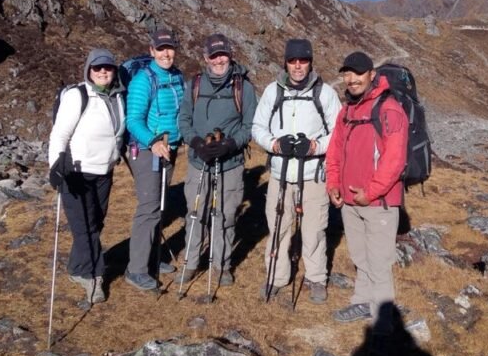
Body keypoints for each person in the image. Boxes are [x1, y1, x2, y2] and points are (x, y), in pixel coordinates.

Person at [252, 39, 341, 302]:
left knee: (314, 229)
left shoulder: (324, 93)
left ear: (310, 62)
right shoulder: (273, 91)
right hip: (280, 174)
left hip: (313, 175)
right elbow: (258, 127)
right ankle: (277, 278)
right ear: (286, 63)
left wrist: (314, 147)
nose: (298, 66)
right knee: (278, 227)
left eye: (303, 60)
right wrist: (275, 144)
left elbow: (338, 133)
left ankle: (316, 279)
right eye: (293, 61)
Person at [325, 51, 407, 328]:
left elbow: (394, 161)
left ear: (372, 75)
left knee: (380, 263)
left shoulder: (389, 109)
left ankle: (384, 323)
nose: (351, 79)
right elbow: (335, 151)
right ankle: (361, 302)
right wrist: (333, 184)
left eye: (357, 73)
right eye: (347, 73)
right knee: (360, 257)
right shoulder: (347, 110)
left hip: (378, 202)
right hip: (350, 200)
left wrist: (369, 193)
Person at [177, 33, 258, 287]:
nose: (219, 59)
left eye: (222, 54)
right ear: (206, 58)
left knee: (226, 214)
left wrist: (231, 144)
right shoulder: (196, 84)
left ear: (230, 55)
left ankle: (222, 265)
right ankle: (191, 263)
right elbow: (184, 120)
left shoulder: (242, 87)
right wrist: (197, 143)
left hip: (230, 165)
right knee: (195, 213)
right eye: (214, 55)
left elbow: (251, 125)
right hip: (198, 162)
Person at [47, 48, 126, 304]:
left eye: (108, 67)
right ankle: (94, 276)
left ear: (114, 70)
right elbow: (59, 134)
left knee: (96, 223)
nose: (103, 71)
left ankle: (76, 268)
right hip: (76, 173)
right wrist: (55, 165)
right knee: (86, 228)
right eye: (97, 68)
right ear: (88, 70)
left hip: (104, 171)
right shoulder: (77, 95)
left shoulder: (117, 96)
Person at [124, 29, 184, 291]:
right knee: (149, 207)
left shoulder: (177, 77)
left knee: (160, 205)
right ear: (152, 51)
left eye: (169, 48)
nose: (166, 53)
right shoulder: (142, 80)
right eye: (161, 49)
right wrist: (153, 142)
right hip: (146, 151)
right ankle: (135, 269)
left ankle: (152, 255)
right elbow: (133, 120)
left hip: (169, 149)